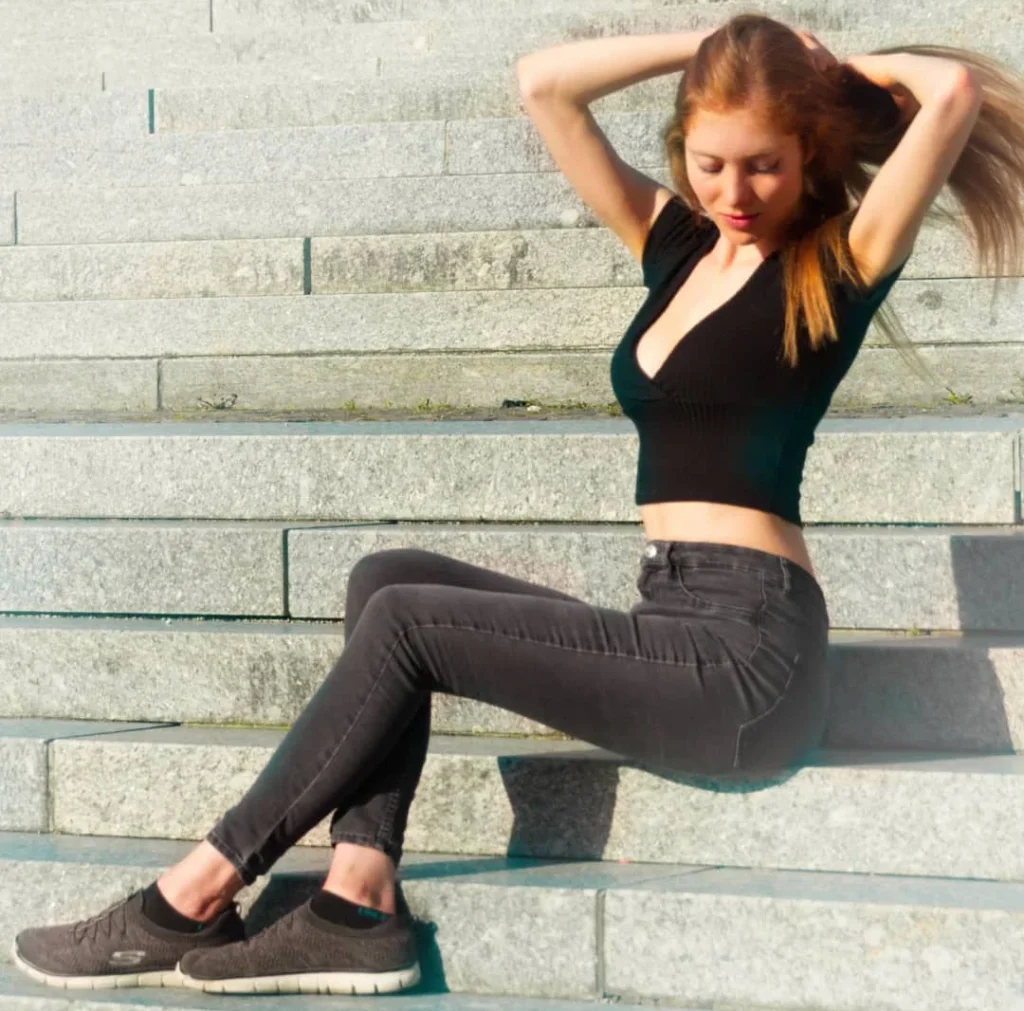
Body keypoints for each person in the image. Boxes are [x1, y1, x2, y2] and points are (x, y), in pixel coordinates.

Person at [13, 12, 1023, 999]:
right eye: (710, 162)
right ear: (683, 147)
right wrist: (711, 46)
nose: (735, 191)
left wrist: (819, 63)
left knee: (409, 623)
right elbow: (546, 81)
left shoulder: (834, 264)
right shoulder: (678, 247)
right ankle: (355, 903)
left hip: (750, 660)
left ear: (807, 154)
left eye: (763, 163)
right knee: (388, 580)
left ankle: (191, 892)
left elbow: (953, 93)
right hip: (670, 616)